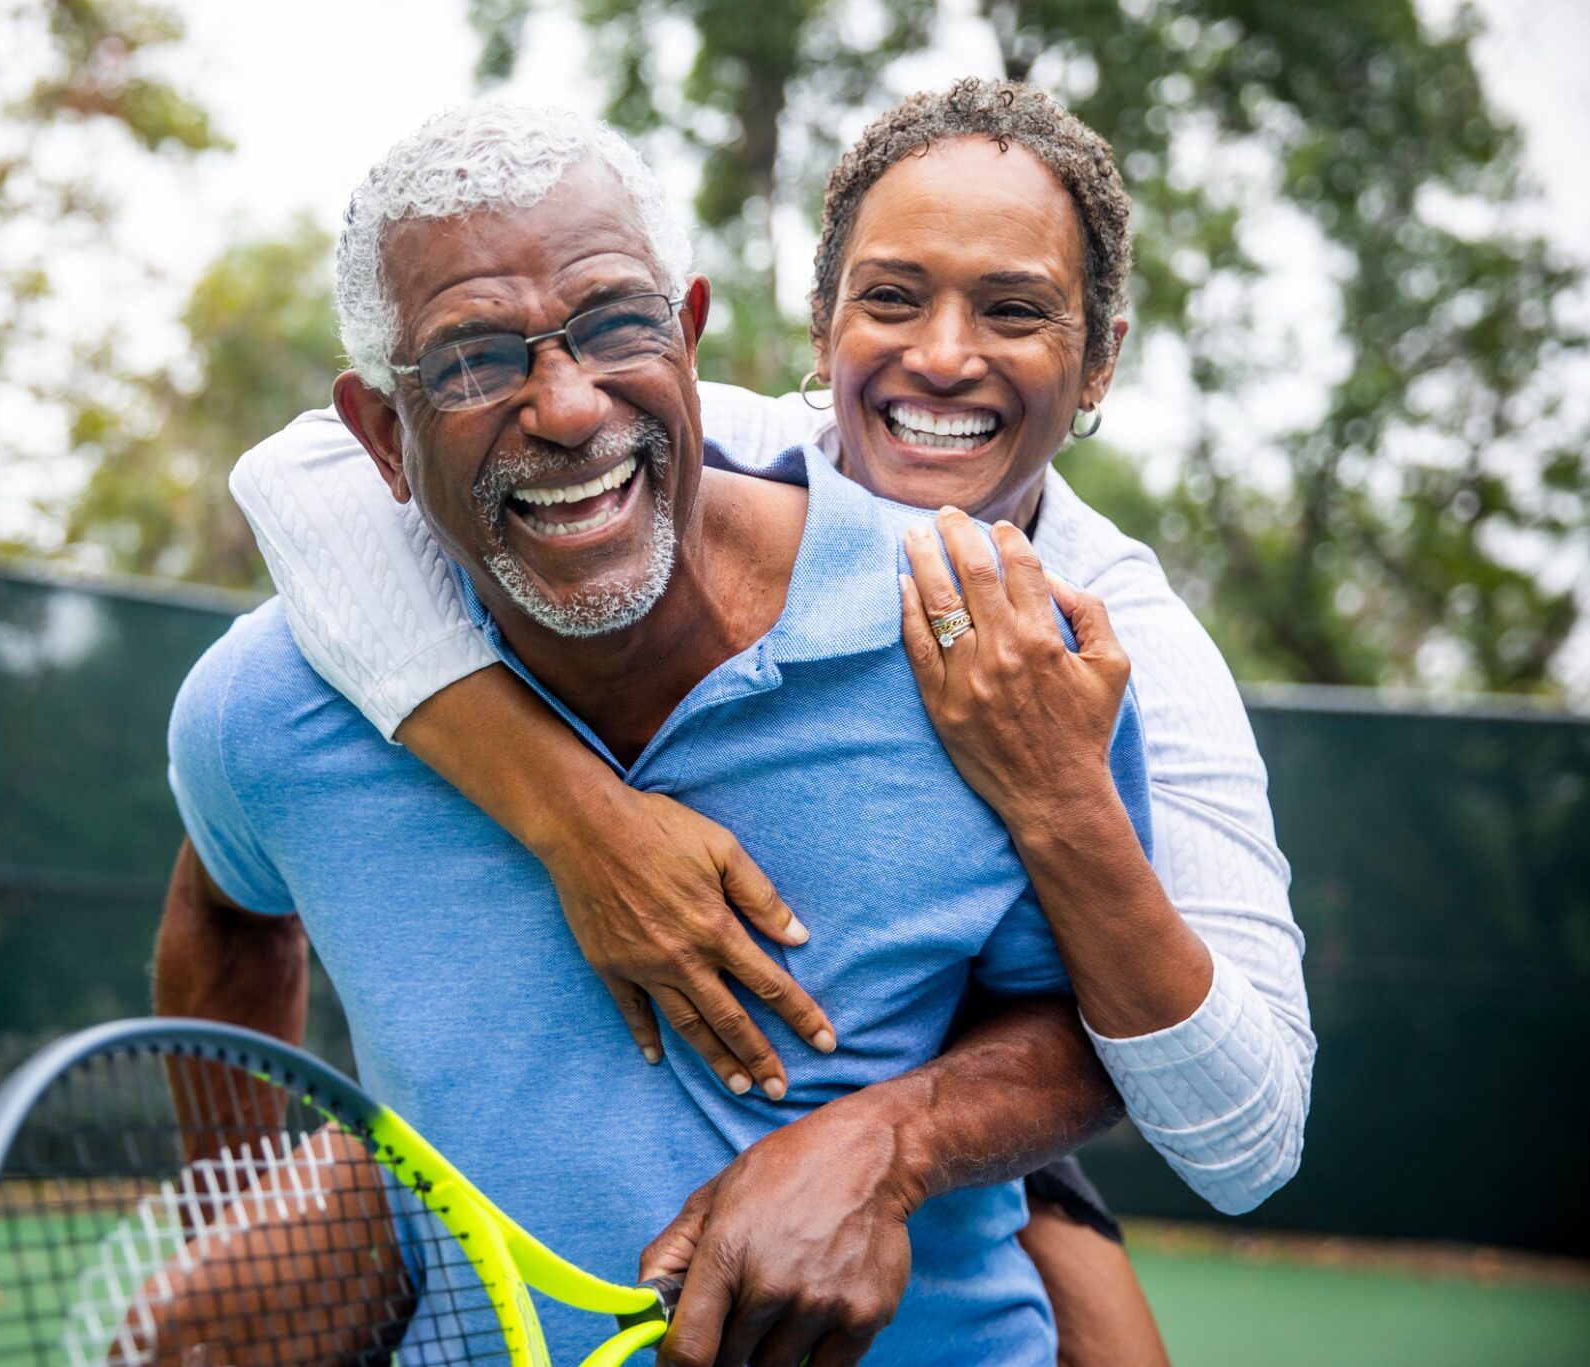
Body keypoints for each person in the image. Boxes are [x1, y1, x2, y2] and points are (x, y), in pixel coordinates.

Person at [225, 80, 1314, 1360]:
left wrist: (1050, 800)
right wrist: (583, 824)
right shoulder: (680, 436)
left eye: (1013, 309)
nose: (945, 354)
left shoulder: (1124, 641)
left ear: (1098, 361)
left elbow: (1241, 1134)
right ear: (821, 323)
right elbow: (298, 473)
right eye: (893, 297)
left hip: (992, 1066)